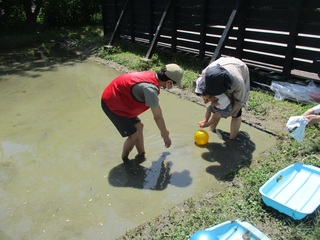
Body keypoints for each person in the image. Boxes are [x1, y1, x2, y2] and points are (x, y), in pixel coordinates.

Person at [101, 64, 184, 163]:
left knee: (139, 126)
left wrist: (164, 131)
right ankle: (125, 161)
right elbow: (157, 116)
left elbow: (156, 106)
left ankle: (141, 154)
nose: (172, 87)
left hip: (121, 98)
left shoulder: (152, 77)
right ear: (169, 82)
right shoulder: (150, 89)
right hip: (112, 103)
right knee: (134, 136)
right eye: (173, 85)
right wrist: (165, 134)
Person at [195, 57, 250, 139]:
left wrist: (225, 113)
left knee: (236, 113)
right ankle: (211, 130)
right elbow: (201, 88)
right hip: (224, 64)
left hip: (239, 68)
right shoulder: (206, 73)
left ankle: (232, 139)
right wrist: (206, 98)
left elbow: (239, 102)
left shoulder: (238, 82)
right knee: (215, 108)